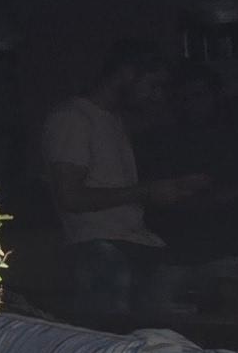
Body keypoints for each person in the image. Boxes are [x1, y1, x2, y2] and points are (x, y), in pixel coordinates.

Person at [46, 41, 200, 313]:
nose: (156, 96)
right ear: (127, 74)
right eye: (153, 85)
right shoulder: (73, 119)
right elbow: (69, 196)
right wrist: (146, 192)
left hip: (135, 241)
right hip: (99, 246)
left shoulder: (113, 121)